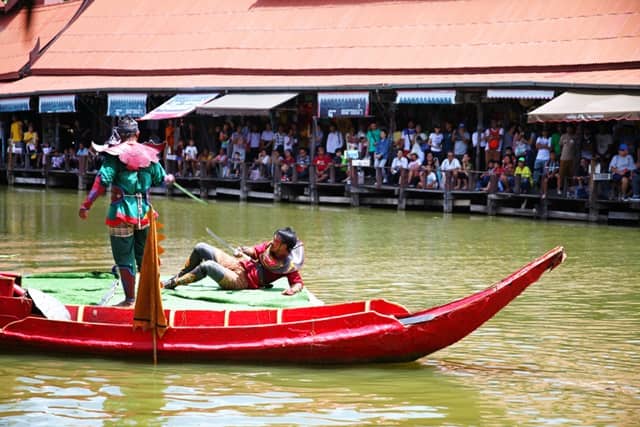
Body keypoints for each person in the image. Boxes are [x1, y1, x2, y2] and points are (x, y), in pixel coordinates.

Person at [78, 117, 175, 307]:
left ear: (120, 135)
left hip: (121, 212)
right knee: (145, 256)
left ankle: (130, 299)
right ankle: (151, 297)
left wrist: (86, 205)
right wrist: (169, 178)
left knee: (124, 257)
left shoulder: (114, 155)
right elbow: (162, 178)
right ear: (137, 134)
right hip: (145, 213)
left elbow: (101, 182)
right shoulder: (149, 154)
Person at [162, 227, 305, 295]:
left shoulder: (288, 266)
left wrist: (292, 290)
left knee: (208, 266)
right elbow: (254, 250)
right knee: (201, 247)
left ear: (284, 247)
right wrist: (242, 250)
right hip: (237, 264)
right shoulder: (269, 246)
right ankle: (178, 276)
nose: (273, 241)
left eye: (277, 241)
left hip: (242, 281)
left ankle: (174, 284)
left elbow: (298, 283)